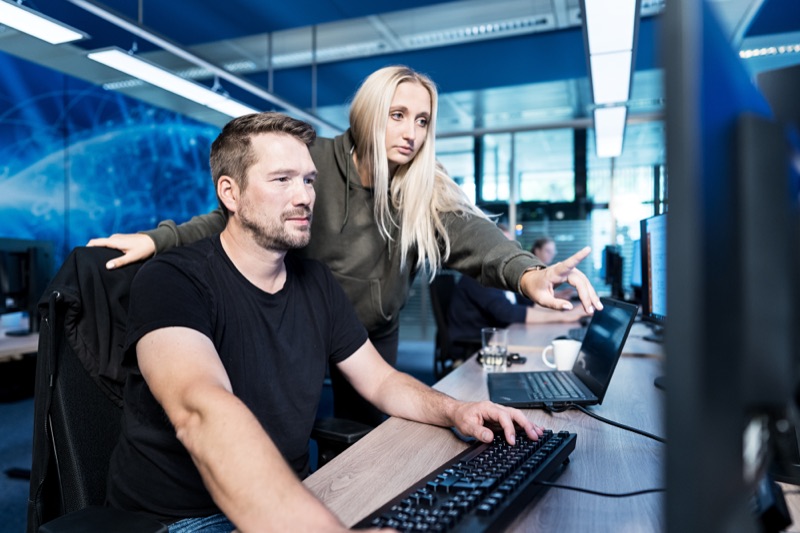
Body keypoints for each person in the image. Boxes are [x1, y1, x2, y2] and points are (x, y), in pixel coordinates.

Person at [88, 65, 602, 427]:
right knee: (271, 424)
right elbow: (236, 215)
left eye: (422, 121)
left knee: (374, 437)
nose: (411, 133)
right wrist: (159, 239)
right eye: (398, 115)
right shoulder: (313, 166)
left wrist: (526, 272)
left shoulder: (420, 185)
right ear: (369, 113)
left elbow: (471, 234)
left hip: (373, 332)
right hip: (306, 320)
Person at [106, 112, 545, 532]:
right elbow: (201, 408)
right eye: (282, 180)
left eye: (309, 180)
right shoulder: (171, 279)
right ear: (230, 194)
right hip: (185, 519)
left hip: (297, 494)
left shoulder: (315, 282)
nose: (304, 197)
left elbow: (382, 382)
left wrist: (456, 410)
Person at [448, 228, 588, 343]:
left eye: (511, 246)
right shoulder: (477, 277)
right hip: (476, 346)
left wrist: (563, 309)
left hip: (501, 337)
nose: (509, 252)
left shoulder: (500, 274)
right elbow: (507, 313)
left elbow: (523, 302)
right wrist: (564, 317)